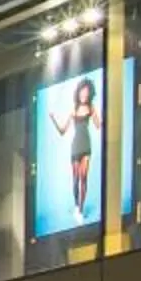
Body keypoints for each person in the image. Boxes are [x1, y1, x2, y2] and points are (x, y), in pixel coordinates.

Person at [49, 77, 101, 223]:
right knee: (75, 180)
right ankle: (77, 205)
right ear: (78, 93)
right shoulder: (73, 110)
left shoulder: (91, 108)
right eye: (82, 93)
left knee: (84, 177)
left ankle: (81, 210)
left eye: (86, 93)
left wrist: (98, 114)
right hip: (75, 147)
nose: (84, 95)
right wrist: (53, 118)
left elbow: (98, 125)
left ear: (89, 93)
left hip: (86, 146)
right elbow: (62, 131)